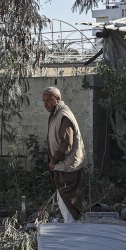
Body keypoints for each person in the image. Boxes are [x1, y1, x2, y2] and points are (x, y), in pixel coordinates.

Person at [42, 86, 85, 222]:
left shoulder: (63, 115)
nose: (46, 104)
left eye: (49, 100)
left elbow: (66, 143)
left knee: (69, 201)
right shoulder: (56, 113)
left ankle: (72, 231)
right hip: (63, 165)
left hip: (67, 166)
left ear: (58, 99)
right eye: (44, 101)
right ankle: (70, 229)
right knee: (64, 199)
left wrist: (54, 161)